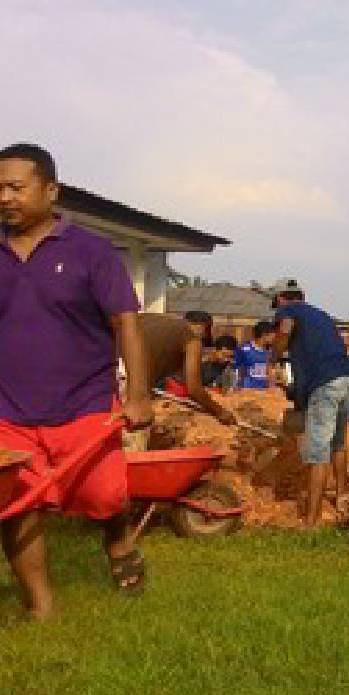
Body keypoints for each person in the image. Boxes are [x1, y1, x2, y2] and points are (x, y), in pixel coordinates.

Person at [0, 142, 154, 617]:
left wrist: (139, 394)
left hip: (83, 403)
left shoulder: (91, 251)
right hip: (9, 410)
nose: (4, 196)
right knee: (19, 503)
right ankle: (41, 606)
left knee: (102, 496)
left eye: (15, 187)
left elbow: (125, 322)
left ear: (50, 190)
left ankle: (118, 538)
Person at [269, 278, 349, 527]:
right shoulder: (321, 315)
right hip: (348, 379)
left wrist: (273, 358)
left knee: (317, 451)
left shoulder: (289, 310)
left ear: (281, 298)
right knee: (338, 443)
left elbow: (284, 329)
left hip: (326, 384)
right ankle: (341, 499)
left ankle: (312, 520)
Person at [141, 311, 239, 425]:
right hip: (169, 394)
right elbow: (194, 389)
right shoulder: (191, 341)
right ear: (205, 328)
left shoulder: (151, 326)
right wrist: (220, 412)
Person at [233, 320, 275, 390]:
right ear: (264, 335)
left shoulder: (268, 351)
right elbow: (236, 369)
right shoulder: (244, 349)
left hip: (263, 390)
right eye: (272, 335)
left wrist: (271, 387)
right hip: (247, 390)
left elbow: (269, 370)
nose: (274, 338)